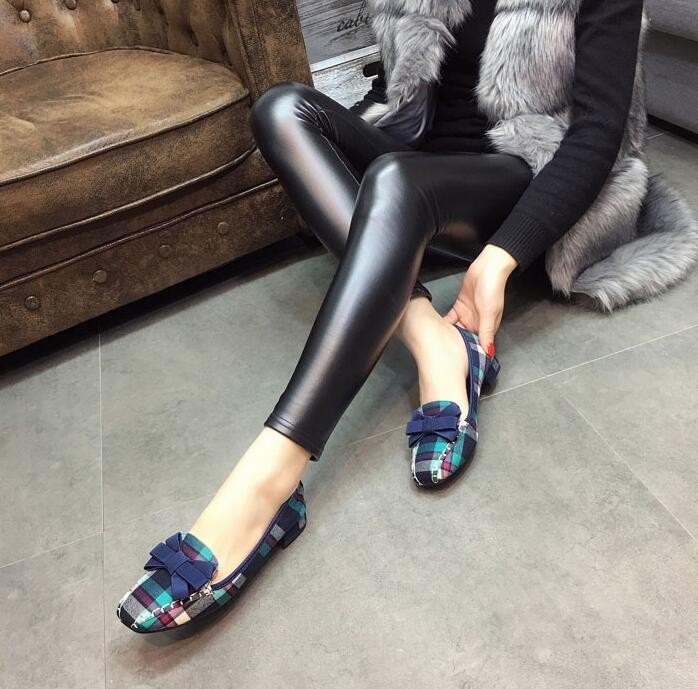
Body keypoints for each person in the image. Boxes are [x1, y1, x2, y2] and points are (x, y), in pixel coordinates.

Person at [116, 0, 692, 634]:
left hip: (529, 175)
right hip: (420, 162)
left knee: (394, 180)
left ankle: (268, 480)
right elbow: (405, 93)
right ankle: (436, 345)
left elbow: (598, 135)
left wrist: (502, 257)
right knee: (281, 109)